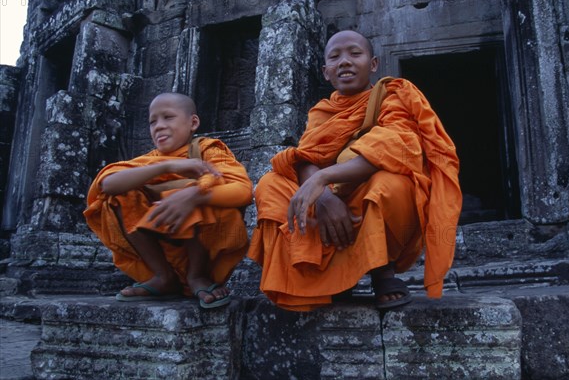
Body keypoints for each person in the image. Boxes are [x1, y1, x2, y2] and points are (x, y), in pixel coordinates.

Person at [247, 30, 462, 311]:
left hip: (366, 194)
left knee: (390, 183)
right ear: (326, 72)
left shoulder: (393, 96)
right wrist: (322, 197)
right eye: (335, 57)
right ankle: (328, 280)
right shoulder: (322, 112)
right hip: (331, 202)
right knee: (270, 184)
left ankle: (382, 271)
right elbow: (305, 158)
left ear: (373, 64)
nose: (344, 62)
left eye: (355, 54)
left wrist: (325, 178)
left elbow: (397, 146)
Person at [84, 92, 253, 308]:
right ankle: (163, 276)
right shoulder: (151, 161)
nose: (159, 126)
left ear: (193, 123)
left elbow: (243, 191)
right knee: (121, 194)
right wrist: (167, 166)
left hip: (205, 246)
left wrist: (194, 196)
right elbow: (107, 185)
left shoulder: (206, 149)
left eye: (168, 117)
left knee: (199, 187)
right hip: (163, 248)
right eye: (152, 121)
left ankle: (197, 276)